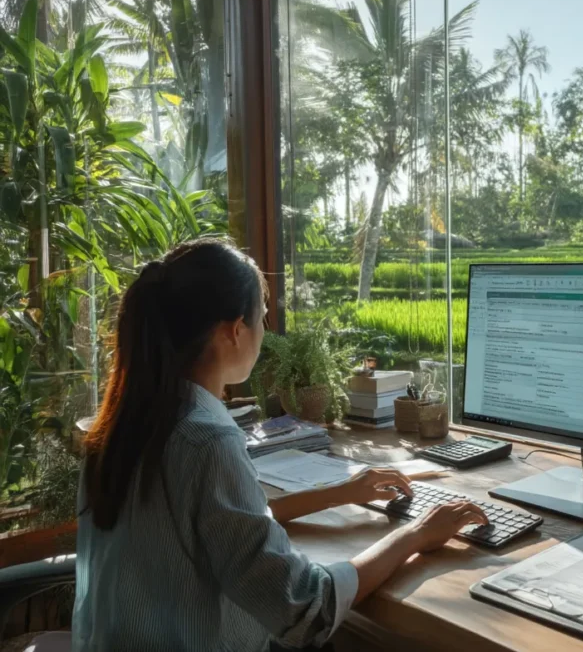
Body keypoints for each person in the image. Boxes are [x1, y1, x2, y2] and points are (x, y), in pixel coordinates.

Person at [73, 240, 486, 651]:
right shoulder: (206, 442)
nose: (265, 333)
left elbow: (221, 522)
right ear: (234, 331)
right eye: (262, 319)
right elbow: (305, 610)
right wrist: (416, 534)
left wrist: (341, 493)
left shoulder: (121, 425)